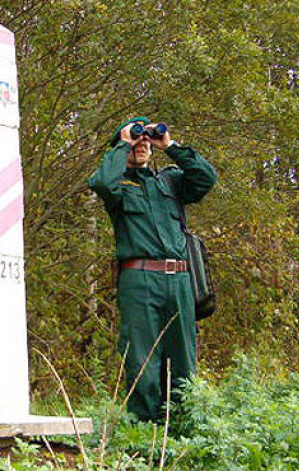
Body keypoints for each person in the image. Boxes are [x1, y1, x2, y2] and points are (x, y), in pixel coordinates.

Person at [88, 117, 217, 422]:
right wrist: (123, 143)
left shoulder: (170, 180)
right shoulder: (118, 185)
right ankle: (145, 432)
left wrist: (169, 145)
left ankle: (183, 426)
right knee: (141, 358)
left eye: (146, 141)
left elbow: (206, 178)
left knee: (183, 359)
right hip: (139, 279)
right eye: (137, 141)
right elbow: (101, 182)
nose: (142, 145)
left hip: (180, 280)